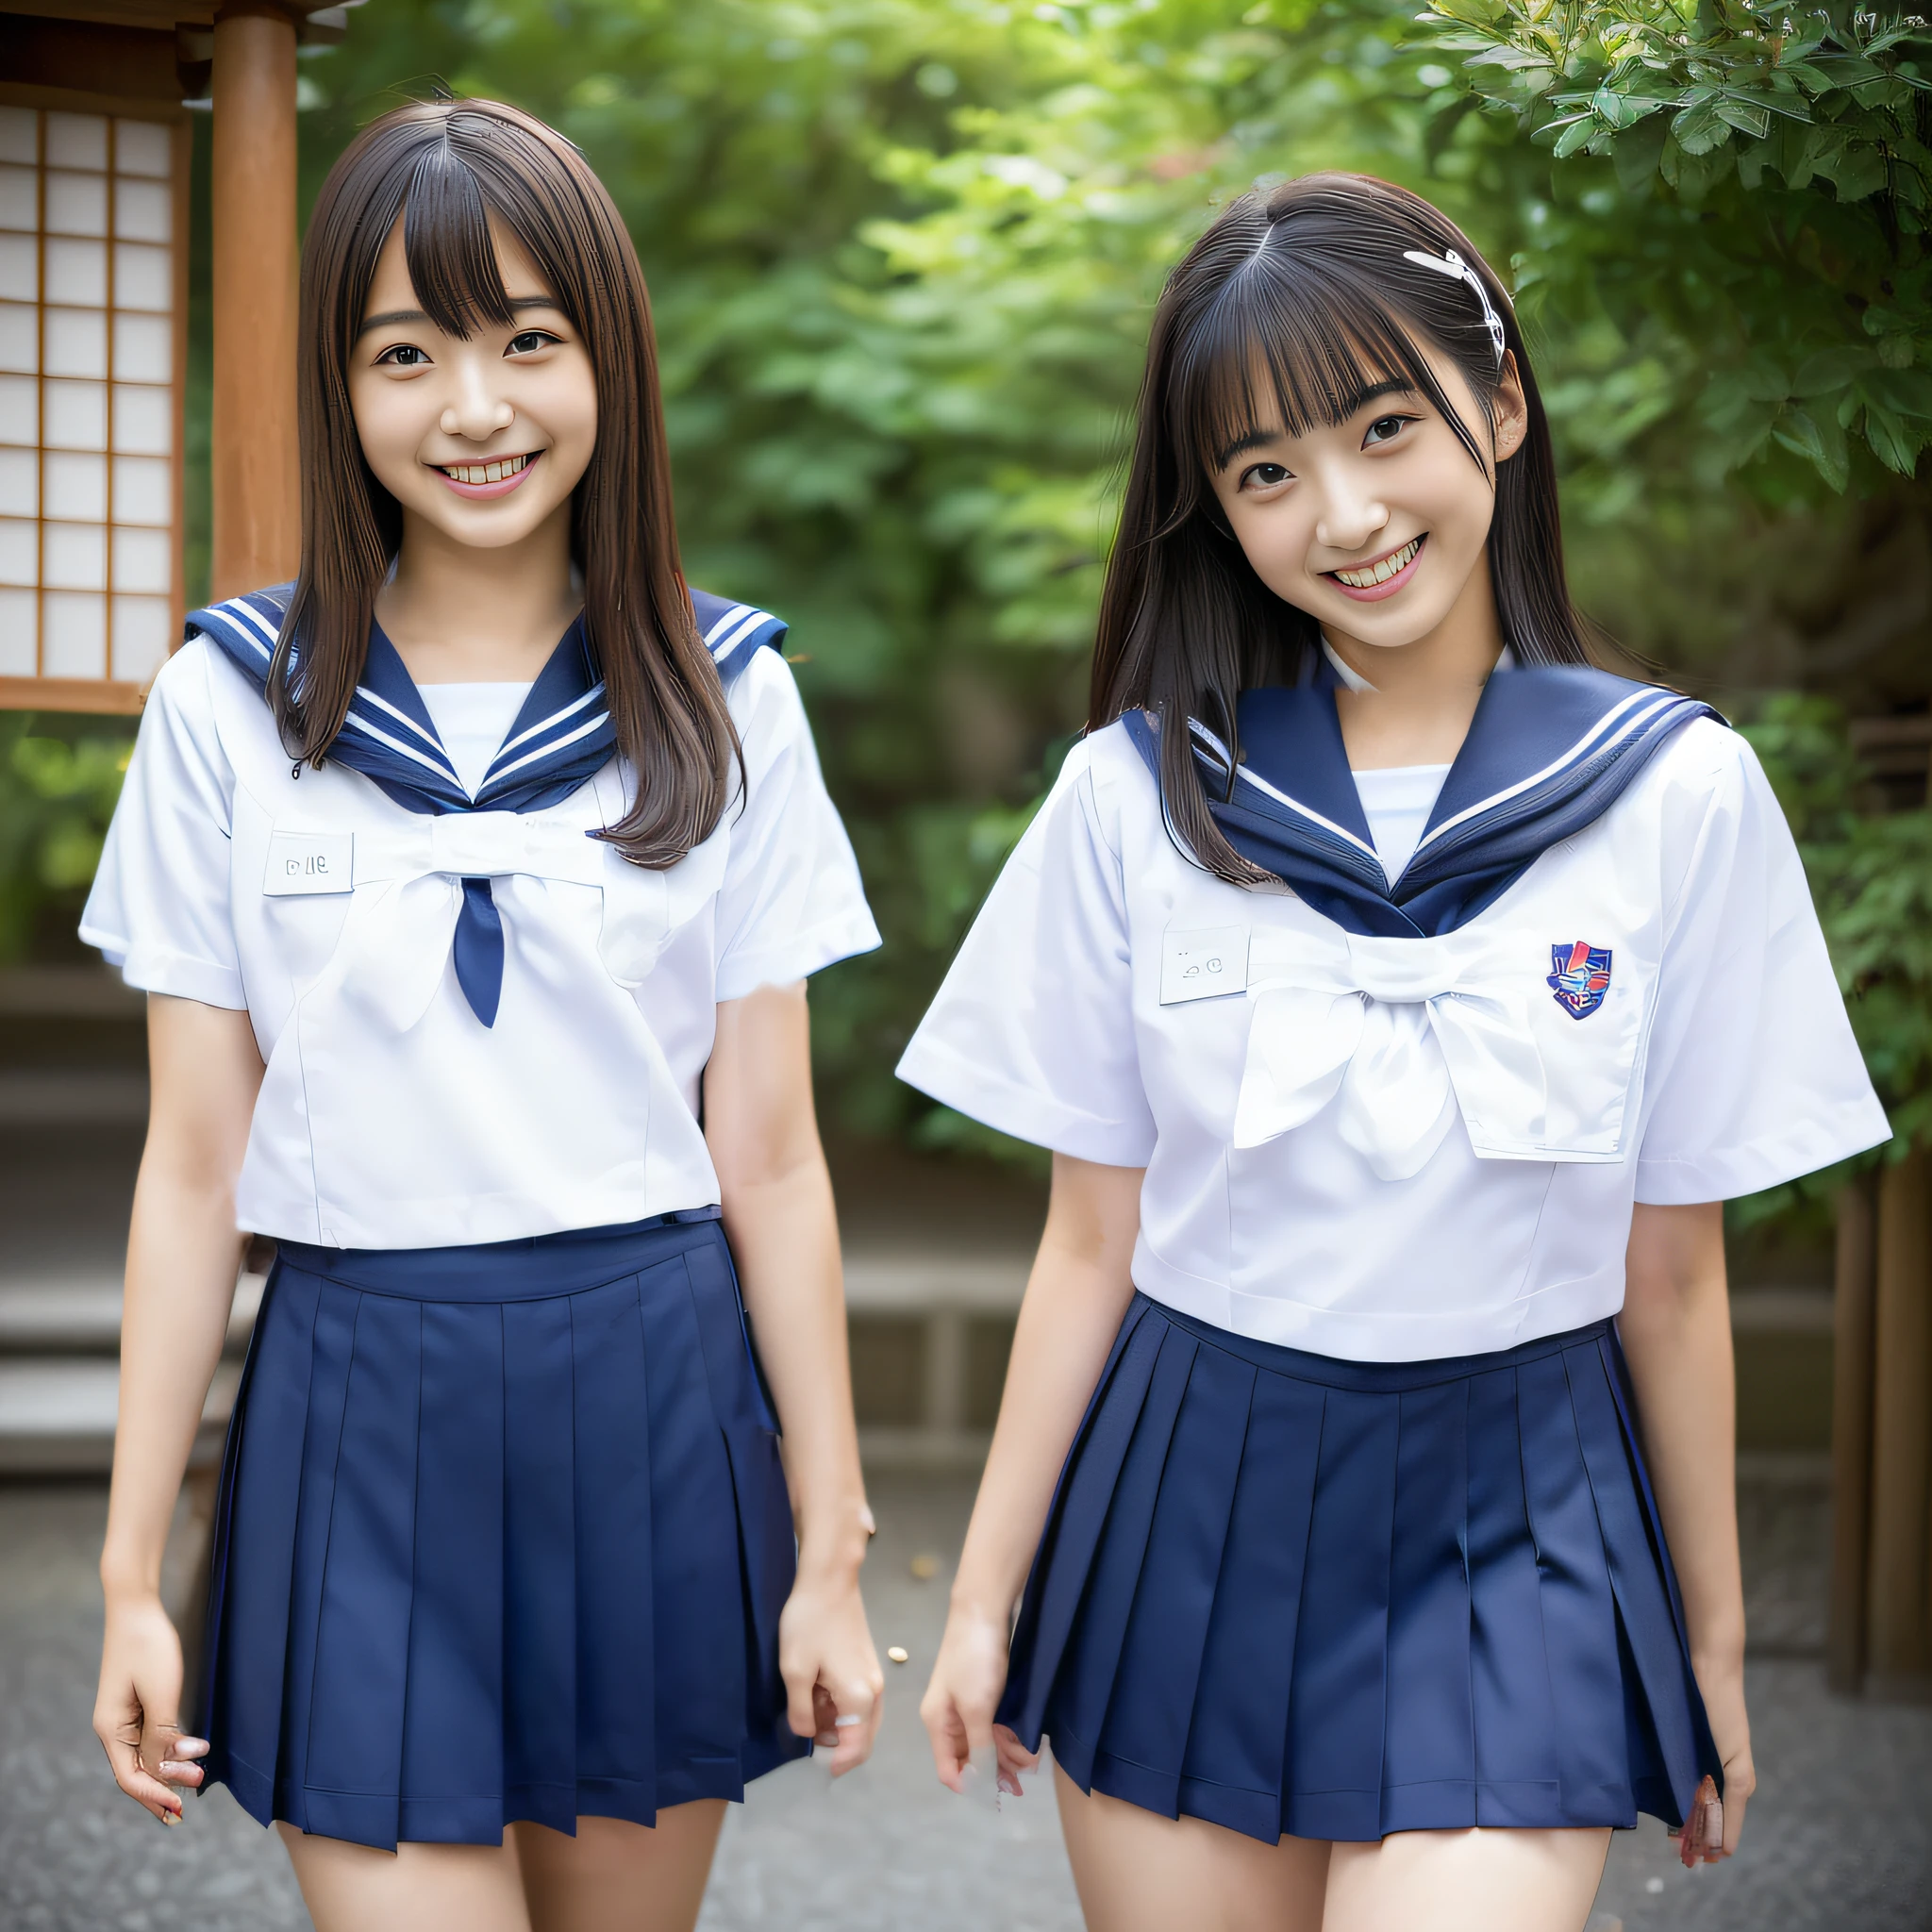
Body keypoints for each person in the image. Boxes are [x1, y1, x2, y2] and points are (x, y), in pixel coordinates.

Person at [904, 173, 1889, 1931]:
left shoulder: (1677, 794)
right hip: (1191, 1495)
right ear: (1213, 510)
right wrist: (982, 1601)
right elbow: (1086, 1245)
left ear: (1500, 404)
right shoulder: (1137, 801)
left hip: (1522, 1507)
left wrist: (1716, 1651)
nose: (1342, 515)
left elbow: (1673, 1277)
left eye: (1382, 427)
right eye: (1265, 472)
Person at [84, 98, 884, 1932]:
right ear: (338, 390)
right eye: (406, 351)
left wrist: (828, 1542)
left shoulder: (723, 696)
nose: (475, 406)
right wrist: (135, 1573)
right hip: (358, 1396)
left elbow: (768, 1155)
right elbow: (193, 1173)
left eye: (528, 338)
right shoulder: (230, 708)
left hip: (651, 1394)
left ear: (607, 356)